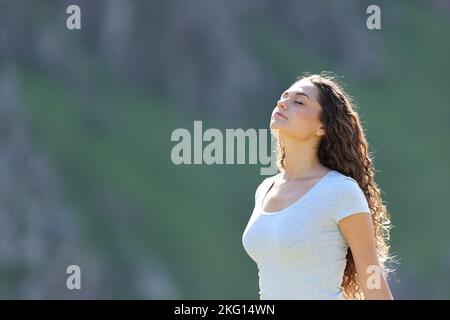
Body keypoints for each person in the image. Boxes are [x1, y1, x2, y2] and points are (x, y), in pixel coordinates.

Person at [242, 72, 395, 300]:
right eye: (284, 97)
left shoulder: (341, 191)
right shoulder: (265, 189)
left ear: (322, 126)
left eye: (299, 101)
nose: (282, 103)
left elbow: (372, 278)